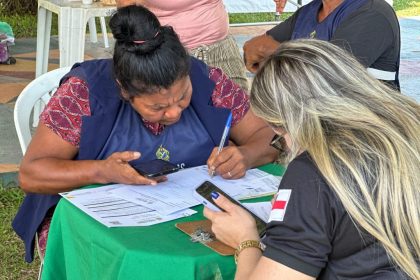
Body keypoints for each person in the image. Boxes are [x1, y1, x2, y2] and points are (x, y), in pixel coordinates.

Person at [13, 5, 278, 262]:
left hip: (191, 213)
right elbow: (32, 173)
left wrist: (246, 154)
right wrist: (101, 171)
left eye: (183, 96)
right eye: (158, 107)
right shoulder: (84, 92)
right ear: (124, 90)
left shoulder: (207, 80)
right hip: (94, 222)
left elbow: (269, 136)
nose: (174, 113)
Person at [204, 39, 420, 279]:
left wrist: (245, 241)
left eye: (280, 137)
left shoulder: (314, 171)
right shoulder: (409, 129)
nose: (286, 146)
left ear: (287, 123)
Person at [243, 0, 401, 89]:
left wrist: (278, 53)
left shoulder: (372, 13)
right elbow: (254, 51)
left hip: (366, 133)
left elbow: (327, 80)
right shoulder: (308, 12)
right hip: (317, 127)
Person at [115, 0, 250, 91]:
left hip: (221, 49)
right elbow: (130, 13)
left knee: (236, 114)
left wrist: (270, 36)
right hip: (164, 56)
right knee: (173, 120)